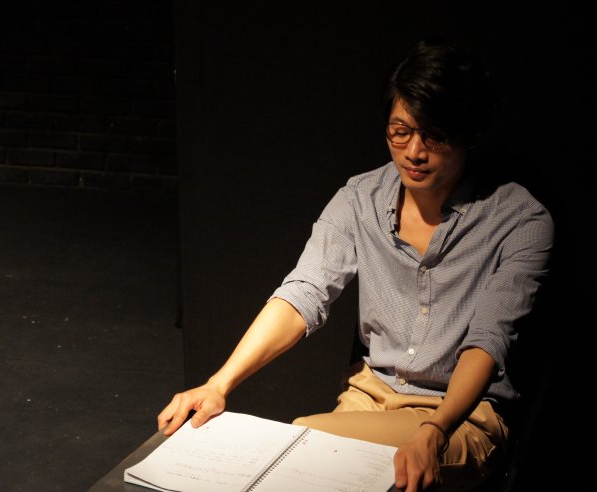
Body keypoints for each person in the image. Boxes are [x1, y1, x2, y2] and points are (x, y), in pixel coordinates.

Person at [157, 39, 554, 492]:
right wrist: (218, 384)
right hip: (370, 398)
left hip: (462, 415)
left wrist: (435, 429)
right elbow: (303, 293)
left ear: (470, 133)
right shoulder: (360, 199)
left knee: (310, 454)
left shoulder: (519, 220)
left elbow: (488, 338)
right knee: (300, 460)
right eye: (400, 131)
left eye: (435, 135)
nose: (414, 151)